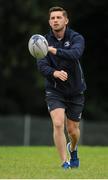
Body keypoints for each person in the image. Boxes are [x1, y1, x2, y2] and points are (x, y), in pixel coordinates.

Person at [37, 6, 86, 169]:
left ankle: (73, 149)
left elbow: (75, 54)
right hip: (55, 89)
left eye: (59, 17)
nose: (55, 20)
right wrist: (54, 73)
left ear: (66, 20)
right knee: (58, 123)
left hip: (75, 90)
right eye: (52, 18)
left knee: (72, 130)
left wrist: (53, 50)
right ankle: (64, 162)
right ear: (49, 22)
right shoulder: (42, 41)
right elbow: (42, 65)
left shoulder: (76, 37)